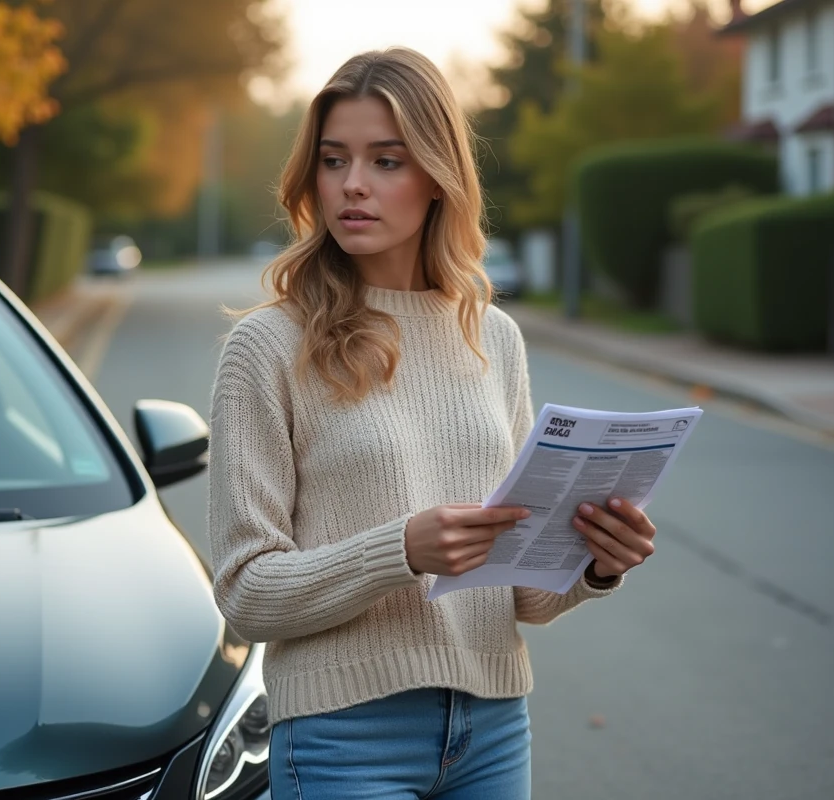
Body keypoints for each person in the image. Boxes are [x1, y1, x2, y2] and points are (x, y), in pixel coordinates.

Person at [206, 47, 658, 800]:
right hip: (341, 736)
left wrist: (595, 562)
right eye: (334, 159)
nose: (353, 184)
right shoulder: (266, 346)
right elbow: (246, 593)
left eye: (386, 160)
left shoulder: (492, 338)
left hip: (492, 726)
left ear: (438, 176)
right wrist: (401, 549)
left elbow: (526, 597)